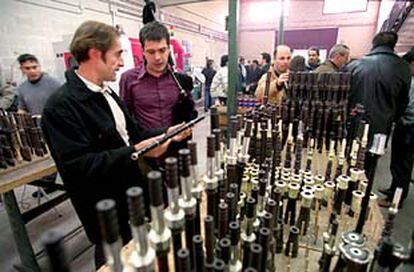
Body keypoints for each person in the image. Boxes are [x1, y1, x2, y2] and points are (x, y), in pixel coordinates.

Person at [41, 21, 190, 268]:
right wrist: (136, 152)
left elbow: (135, 133)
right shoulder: (60, 107)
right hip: (105, 211)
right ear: (94, 54)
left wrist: (167, 133)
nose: (122, 62)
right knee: (114, 259)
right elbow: (78, 167)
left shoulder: (107, 93)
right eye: (118, 54)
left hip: (132, 197)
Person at [346, 31, 411, 175]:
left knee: (350, 160)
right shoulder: (403, 68)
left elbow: (345, 98)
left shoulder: (354, 66)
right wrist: (392, 118)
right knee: (370, 165)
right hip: (382, 126)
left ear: (374, 44)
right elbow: (403, 102)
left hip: (354, 122)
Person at [120, 21, 196, 132]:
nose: (157, 57)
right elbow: (126, 116)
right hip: (147, 145)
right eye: (151, 52)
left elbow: (189, 109)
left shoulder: (179, 79)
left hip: (178, 144)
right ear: (143, 51)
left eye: (162, 50)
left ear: (169, 49)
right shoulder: (128, 79)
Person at [377, 49, 414, 208]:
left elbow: (409, 106)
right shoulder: (410, 79)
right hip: (404, 125)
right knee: (397, 162)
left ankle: (396, 200)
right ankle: (393, 189)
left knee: (403, 165)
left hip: (410, 128)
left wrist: (394, 112)